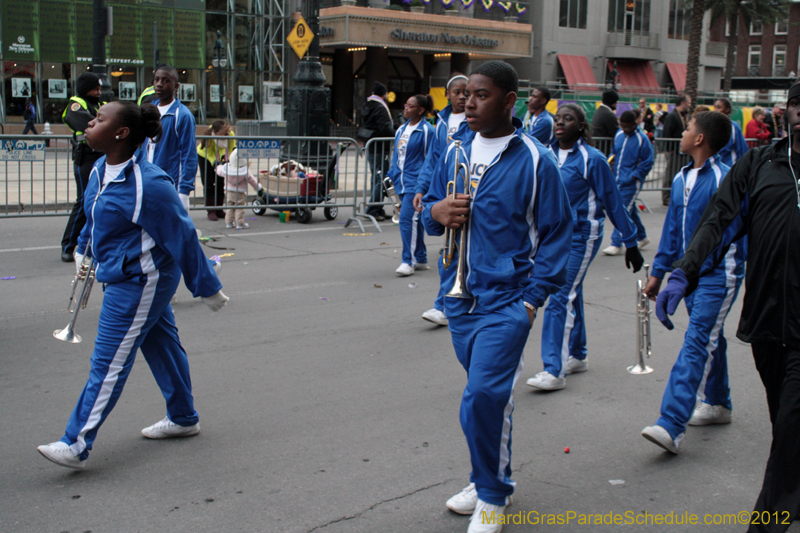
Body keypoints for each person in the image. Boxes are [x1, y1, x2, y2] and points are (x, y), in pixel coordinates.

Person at [421, 61, 573, 533]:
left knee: (483, 395)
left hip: (508, 302)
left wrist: (532, 300)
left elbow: (557, 234)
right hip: (459, 300)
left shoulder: (534, 159)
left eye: (481, 95)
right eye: (466, 94)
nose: (468, 102)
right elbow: (427, 212)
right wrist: (436, 210)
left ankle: (492, 496)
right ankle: (485, 475)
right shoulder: (454, 150)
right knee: (486, 400)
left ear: (509, 102)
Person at [36, 101, 229, 470]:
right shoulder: (99, 169)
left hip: (142, 280)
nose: (89, 124)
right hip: (121, 271)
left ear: (121, 133)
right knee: (162, 346)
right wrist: (83, 251)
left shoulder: (149, 183)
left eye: (98, 120)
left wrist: (207, 287)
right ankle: (184, 417)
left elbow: (183, 235)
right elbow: (94, 217)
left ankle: (75, 443)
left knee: (108, 362)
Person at [654, 82, 800, 531]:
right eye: (798, 103)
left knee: (794, 424)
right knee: (785, 424)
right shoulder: (758, 165)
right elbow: (718, 220)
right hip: (767, 319)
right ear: (787, 112)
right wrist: (683, 271)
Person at [640, 110, 745, 454]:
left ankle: (671, 424)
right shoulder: (682, 177)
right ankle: (718, 403)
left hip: (718, 274)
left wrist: (694, 272)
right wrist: (659, 273)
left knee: (698, 339)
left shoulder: (725, 179)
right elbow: (672, 232)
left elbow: (730, 234)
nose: (682, 132)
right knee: (710, 335)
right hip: (689, 275)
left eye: (687, 128)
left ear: (699, 139)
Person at [527, 104, 644, 392]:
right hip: (551, 238)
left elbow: (613, 201)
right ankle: (578, 355)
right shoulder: (546, 155)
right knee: (571, 293)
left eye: (568, 119)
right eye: (557, 119)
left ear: (581, 126)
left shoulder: (594, 160)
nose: (560, 123)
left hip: (582, 237)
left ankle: (553, 370)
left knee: (558, 296)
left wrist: (630, 242)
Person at [414, 73, 472, 326]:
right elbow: (433, 160)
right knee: (450, 251)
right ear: (447, 94)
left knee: (456, 251)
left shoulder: (474, 120)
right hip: (443, 192)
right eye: (457, 92)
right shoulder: (441, 122)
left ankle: (444, 305)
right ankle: (447, 304)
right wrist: (422, 189)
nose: (462, 96)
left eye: (467, 92)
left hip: (465, 191)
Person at [387, 94, 435, 276]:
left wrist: (423, 185)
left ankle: (408, 260)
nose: (405, 108)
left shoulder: (428, 131)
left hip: (416, 183)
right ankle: (421, 257)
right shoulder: (401, 130)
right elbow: (396, 156)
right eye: (405, 104)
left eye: (410, 105)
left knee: (407, 220)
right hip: (402, 181)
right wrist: (391, 174)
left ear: (421, 110)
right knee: (415, 220)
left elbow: (431, 159)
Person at [60, 73, 105, 263]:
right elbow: (85, 123)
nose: (99, 91)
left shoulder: (100, 105)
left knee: (101, 200)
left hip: (101, 155)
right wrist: (102, 123)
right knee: (84, 200)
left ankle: (95, 243)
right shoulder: (76, 104)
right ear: (86, 87)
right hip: (85, 157)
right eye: (95, 88)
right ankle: (68, 246)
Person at [140, 64, 197, 213]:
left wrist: (184, 192)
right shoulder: (148, 110)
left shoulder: (182, 115)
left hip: (168, 186)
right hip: (146, 182)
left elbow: (189, 155)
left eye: (166, 80)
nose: (159, 84)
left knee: (168, 232)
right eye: (156, 79)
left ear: (176, 86)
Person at [602, 110, 654, 256]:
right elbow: (615, 152)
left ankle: (616, 243)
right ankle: (642, 236)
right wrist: (610, 161)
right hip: (618, 179)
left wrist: (634, 176)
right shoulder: (619, 135)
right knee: (629, 210)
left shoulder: (642, 139)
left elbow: (648, 162)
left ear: (634, 124)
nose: (625, 129)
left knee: (622, 211)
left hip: (631, 183)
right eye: (622, 126)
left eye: (627, 126)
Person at [360, 81, 396, 221]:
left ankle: (378, 207)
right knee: (381, 178)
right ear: (384, 94)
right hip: (381, 147)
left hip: (371, 145)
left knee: (376, 177)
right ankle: (373, 209)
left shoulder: (366, 105)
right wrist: (396, 131)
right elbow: (385, 129)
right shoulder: (380, 108)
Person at [215, 148, 264, 229]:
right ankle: (239, 223)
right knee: (239, 208)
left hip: (229, 191)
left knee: (230, 207)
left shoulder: (226, 169)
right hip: (240, 192)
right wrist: (258, 188)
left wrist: (217, 166)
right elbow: (252, 180)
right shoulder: (245, 171)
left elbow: (219, 171)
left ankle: (229, 222)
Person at [197, 120, 235, 221]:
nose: (227, 135)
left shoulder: (230, 133)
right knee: (209, 183)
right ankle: (211, 210)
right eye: (224, 133)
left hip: (221, 156)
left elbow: (232, 147)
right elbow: (209, 153)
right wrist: (214, 162)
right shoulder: (210, 136)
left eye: (227, 132)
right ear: (216, 132)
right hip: (205, 156)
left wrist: (228, 160)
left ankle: (219, 209)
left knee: (220, 182)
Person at [660, 94, 691, 206]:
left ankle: (677, 195)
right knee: (671, 173)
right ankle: (666, 196)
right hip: (674, 150)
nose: (690, 104)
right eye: (688, 102)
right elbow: (667, 132)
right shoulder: (672, 116)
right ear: (682, 103)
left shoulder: (686, 115)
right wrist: (669, 149)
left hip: (682, 151)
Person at [713, 97, 749, 167]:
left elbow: (741, 149)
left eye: (719, 107)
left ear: (727, 109)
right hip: (714, 168)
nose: (715, 110)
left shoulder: (734, 127)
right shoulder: (711, 125)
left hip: (729, 167)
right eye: (715, 107)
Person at [591, 89, 620, 155]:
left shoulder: (598, 111)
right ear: (613, 102)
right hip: (604, 149)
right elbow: (616, 133)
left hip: (598, 147)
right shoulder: (609, 114)